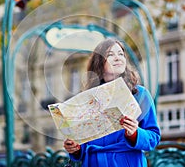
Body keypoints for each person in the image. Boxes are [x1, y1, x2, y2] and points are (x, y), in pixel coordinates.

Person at [63, 38, 160, 167]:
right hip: (93, 162)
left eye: (121, 54)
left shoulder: (140, 94)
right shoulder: (88, 99)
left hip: (127, 162)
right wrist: (75, 149)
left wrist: (135, 133)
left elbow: (154, 137)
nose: (117, 58)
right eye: (110, 55)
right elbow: (83, 143)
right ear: (99, 63)